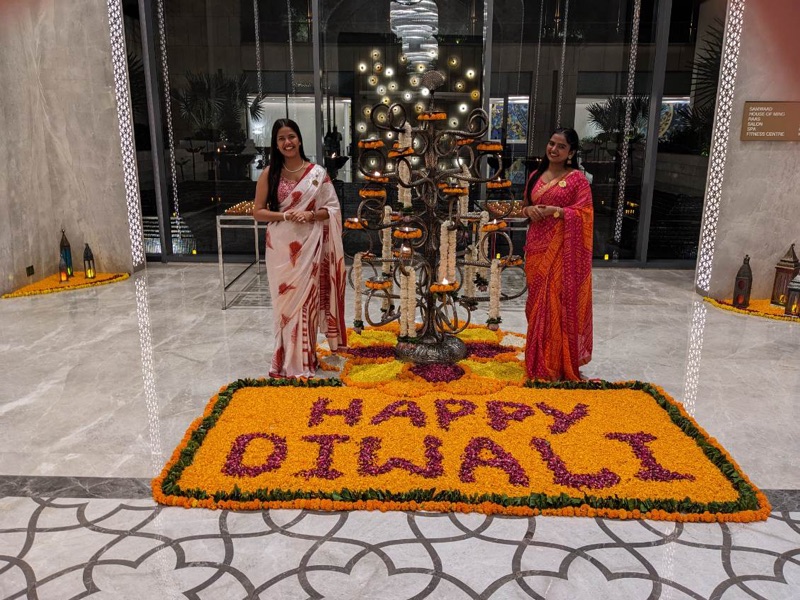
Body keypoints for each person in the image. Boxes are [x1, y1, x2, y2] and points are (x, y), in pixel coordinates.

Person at [252, 119, 347, 378]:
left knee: (307, 302)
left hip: (309, 246)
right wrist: (285, 216)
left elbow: (333, 209)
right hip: (280, 248)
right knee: (285, 305)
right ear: (276, 144)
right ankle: (284, 360)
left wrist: (311, 215)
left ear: (300, 139)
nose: (287, 142)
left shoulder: (317, 174)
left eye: (291, 136)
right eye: (281, 138)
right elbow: (258, 212)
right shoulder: (270, 173)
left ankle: (306, 359)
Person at [521, 127, 593, 381]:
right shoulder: (535, 176)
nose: (554, 149)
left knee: (554, 304)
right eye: (552, 143)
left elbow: (585, 214)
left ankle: (554, 364)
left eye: (561, 146)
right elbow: (524, 207)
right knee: (537, 305)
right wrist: (528, 211)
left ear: (571, 152)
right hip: (535, 249)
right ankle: (537, 360)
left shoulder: (577, 180)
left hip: (562, 251)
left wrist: (557, 211)